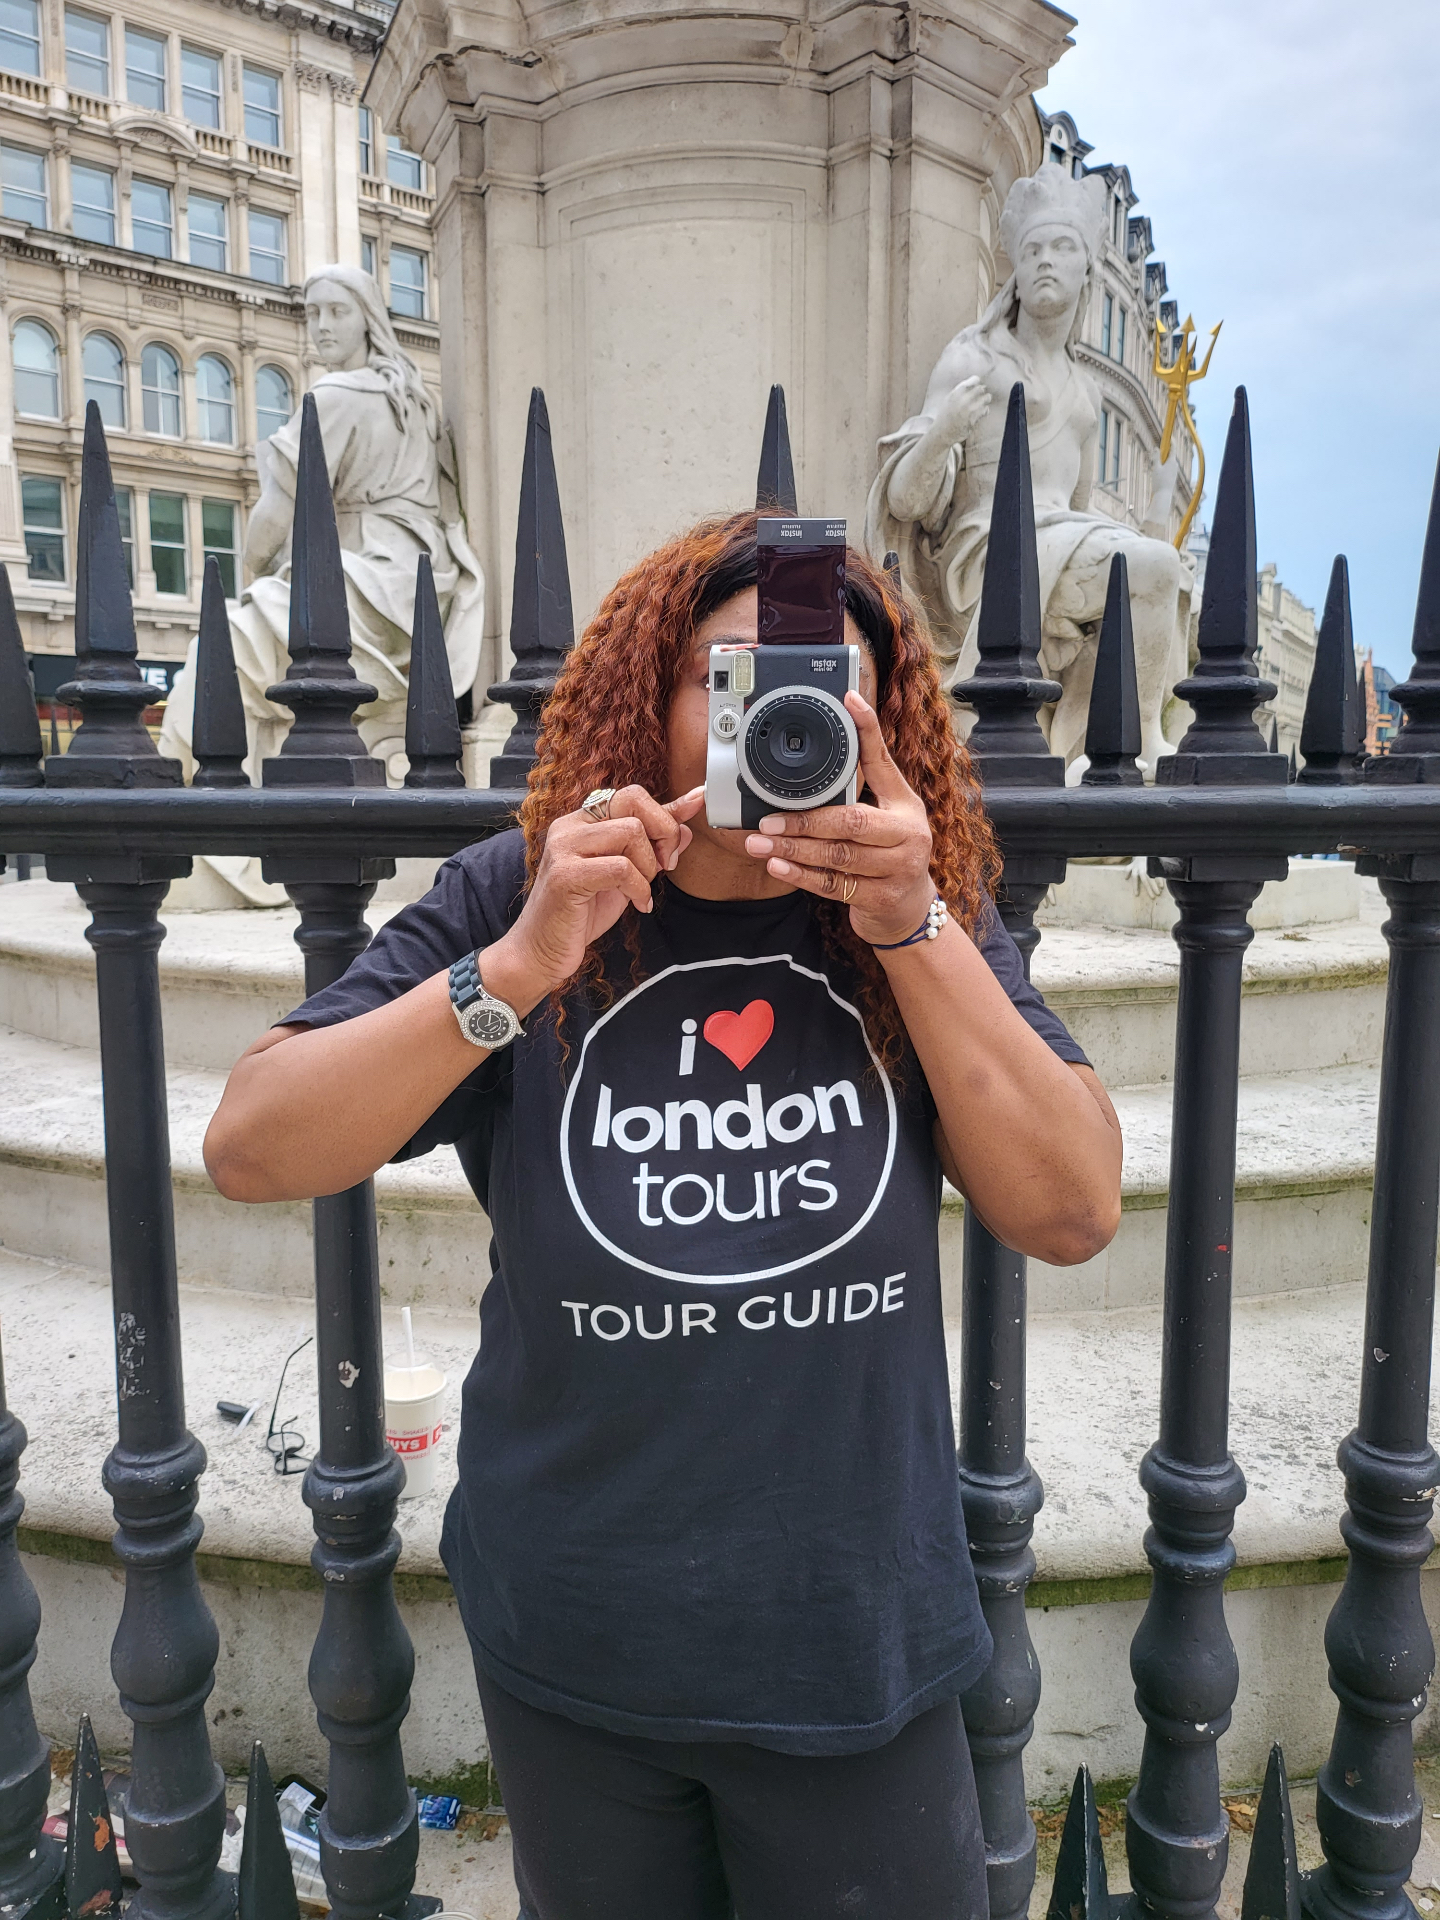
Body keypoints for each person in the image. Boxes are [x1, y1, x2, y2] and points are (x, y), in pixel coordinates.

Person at [204, 512, 1122, 1920]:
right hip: (579, 1632)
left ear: (884, 726)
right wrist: (518, 969)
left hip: (849, 1637)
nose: (784, 723)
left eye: (830, 688)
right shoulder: (525, 889)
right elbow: (253, 1144)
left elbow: (1071, 1208)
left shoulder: (913, 914)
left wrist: (914, 924)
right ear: (650, 699)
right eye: (729, 680)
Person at [864, 162, 1192, 775]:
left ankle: (1112, 737)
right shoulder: (975, 356)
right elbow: (906, 500)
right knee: (1152, 566)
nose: (1045, 261)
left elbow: (1079, 507)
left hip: (1059, 539)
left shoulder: (1085, 395)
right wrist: (945, 431)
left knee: (1161, 570)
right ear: (1014, 266)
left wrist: (1153, 513)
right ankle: (1140, 735)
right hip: (986, 550)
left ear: (1087, 268)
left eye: (1062, 247)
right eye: (1033, 249)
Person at [159, 265, 484, 788]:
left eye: (337, 311)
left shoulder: (335, 395)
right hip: (418, 584)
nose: (322, 326)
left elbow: (277, 511)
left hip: (368, 581)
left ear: (368, 318)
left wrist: (252, 575)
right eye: (313, 313)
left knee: (219, 649)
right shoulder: (416, 401)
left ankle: (187, 804)